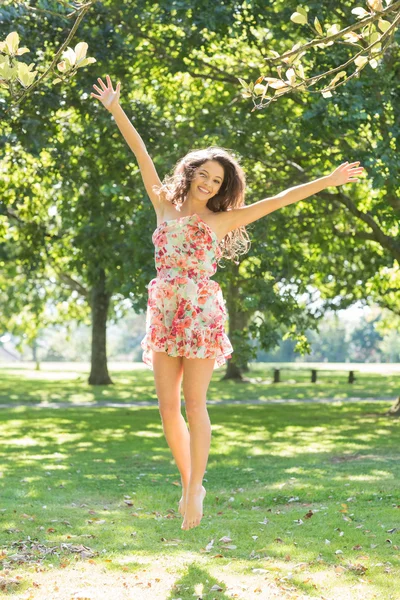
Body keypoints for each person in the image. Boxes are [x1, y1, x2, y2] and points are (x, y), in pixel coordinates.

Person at [91, 75, 364, 531]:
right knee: (166, 408)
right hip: (163, 310)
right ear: (192, 172)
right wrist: (116, 108)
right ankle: (190, 484)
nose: (209, 183)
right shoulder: (163, 203)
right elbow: (141, 153)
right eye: (205, 174)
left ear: (221, 187)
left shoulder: (223, 219)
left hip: (199, 311)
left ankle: (195, 486)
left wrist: (329, 180)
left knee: (194, 405)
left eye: (218, 180)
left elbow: (282, 198)